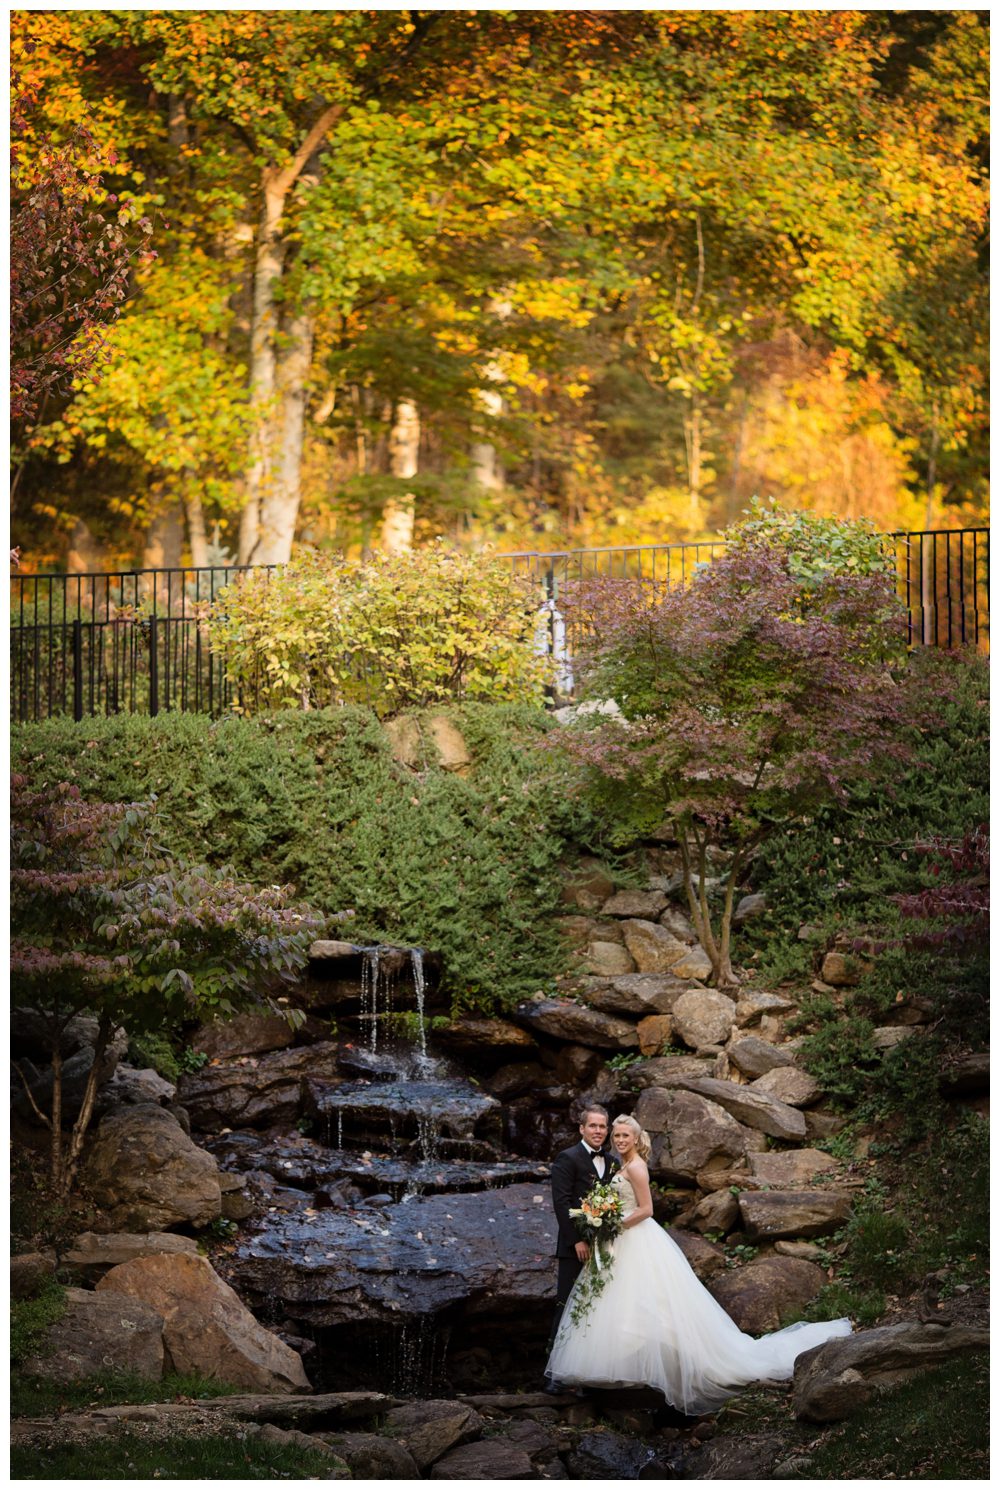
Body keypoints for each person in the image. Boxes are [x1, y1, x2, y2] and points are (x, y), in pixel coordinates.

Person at [545, 1114, 853, 1414]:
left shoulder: (636, 1167)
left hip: (631, 1236)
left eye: (623, 1134)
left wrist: (612, 1222)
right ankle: (608, 1371)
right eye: (616, 1135)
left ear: (636, 1138)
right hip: (614, 1239)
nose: (618, 1139)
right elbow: (569, 1200)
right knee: (612, 1300)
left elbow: (647, 1209)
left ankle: (644, 1369)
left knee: (640, 1297)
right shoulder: (615, 1164)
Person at [546, 1103, 620, 1385]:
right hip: (573, 1247)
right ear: (582, 1128)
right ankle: (554, 1374)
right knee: (566, 1306)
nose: (598, 1131)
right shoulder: (567, 1158)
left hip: (605, 1247)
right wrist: (577, 1239)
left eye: (603, 1126)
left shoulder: (613, 1162)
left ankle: (588, 1375)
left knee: (598, 1309)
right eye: (593, 1126)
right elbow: (561, 1203)